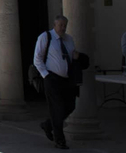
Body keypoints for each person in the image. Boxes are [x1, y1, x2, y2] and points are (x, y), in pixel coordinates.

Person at [33, 14, 80, 150]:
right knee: (57, 109)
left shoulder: (69, 39)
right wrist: (46, 75)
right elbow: (37, 58)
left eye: (65, 25)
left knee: (70, 106)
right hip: (52, 78)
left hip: (67, 79)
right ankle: (60, 140)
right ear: (54, 25)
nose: (63, 28)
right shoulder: (45, 37)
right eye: (60, 25)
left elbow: (71, 58)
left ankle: (48, 125)